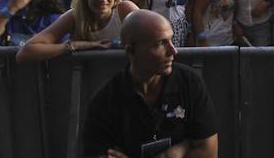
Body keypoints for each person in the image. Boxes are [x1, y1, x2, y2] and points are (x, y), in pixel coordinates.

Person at [82, 10, 218, 158]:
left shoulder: (189, 83)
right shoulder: (105, 102)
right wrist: (173, 153)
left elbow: (208, 153)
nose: (173, 51)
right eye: (161, 43)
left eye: (171, 40)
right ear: (131, 51)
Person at [16, 0, 138, 62]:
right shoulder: (75, 16)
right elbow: (26, 52)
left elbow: (155, 35)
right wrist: (75, 46)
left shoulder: (124, 10)